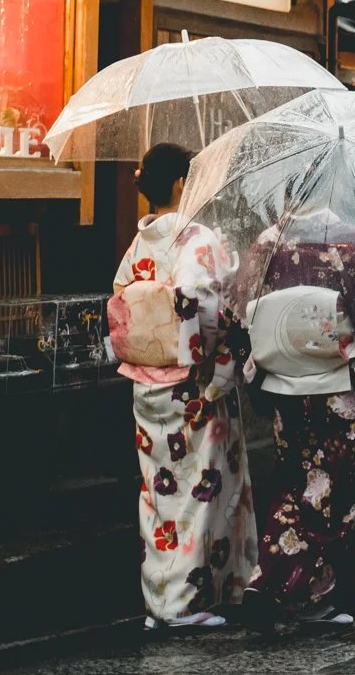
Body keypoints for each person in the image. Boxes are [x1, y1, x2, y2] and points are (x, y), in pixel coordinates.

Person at [112, 144, 255, 631]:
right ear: (179, 184)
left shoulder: (138, 246)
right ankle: (186, 602)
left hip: (146, 387)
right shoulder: (197, 240)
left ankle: (160, 599)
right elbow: (208, 309)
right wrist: (225, 347)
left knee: (158, 491)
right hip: (195, 387)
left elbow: (124, 311)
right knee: (200, 490)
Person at [237, 197, 355, 630]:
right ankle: (324, 594)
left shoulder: (268, 243)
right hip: (340, 388)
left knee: (294, 477)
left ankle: (271, 579)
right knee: (339, 488)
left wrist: (263, 370)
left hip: (287, 389)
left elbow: (242, 314)